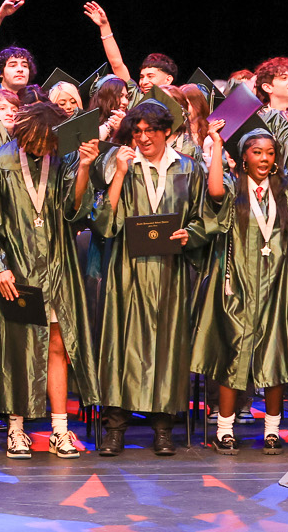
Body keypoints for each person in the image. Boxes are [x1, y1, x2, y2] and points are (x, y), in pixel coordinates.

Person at [0, 95, 101, 458]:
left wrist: (83, 169)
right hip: (17, 271)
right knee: (17, 350)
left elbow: (74, 212)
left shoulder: (60, 159)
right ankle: (16, 430)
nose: (42, 147)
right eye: (38, 141)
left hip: (58, 267)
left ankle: (60, 429)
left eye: (49, 142)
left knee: (58, 348)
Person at [93, 101, 219, 458]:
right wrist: (118, 173)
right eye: (137, 131)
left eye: (150, 131)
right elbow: (103, 222)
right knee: (120, 343)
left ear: (166, 131)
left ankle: (163, 428)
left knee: (168, 345)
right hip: (126, 269)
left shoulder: (189, 168)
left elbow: (203, 218)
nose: (143, 138)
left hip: (169, 270)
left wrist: (189, 235)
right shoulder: (121, 164)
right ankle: (115, 428)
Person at [194, 108, 288, 454]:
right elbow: (215, 191)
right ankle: (225, 429)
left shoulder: (287, 189)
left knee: (275, 355)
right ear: (244, 159)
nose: (264, 159)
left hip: (279, 285)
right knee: (232, 353)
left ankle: (272, 429)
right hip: (236, 283)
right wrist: (218, 143)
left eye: (270, 153)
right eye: (257, 152)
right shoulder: (235, 191)